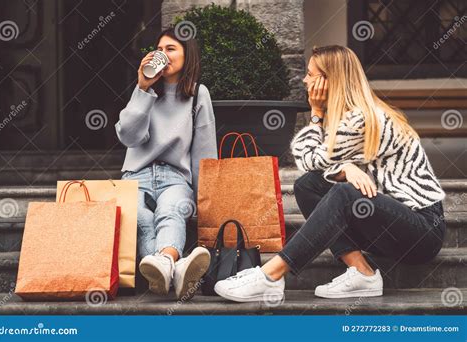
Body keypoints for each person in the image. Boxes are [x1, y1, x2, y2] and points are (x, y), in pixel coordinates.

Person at [214, 45, 446, 302]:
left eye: (311, 74)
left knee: (344, 192)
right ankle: (362, 271)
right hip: (389, 224)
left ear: (330, 80)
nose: (304, 80)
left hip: (421, 231)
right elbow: (320, 166)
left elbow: (308, 158)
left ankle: (272, 274)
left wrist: (315, 113)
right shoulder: (345, 117)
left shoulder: (361, 119)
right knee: (307, 186)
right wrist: (343, 168)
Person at [115, 27, 217, 300]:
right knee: (140, 217)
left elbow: (204, 150)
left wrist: (205, 198)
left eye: (170, 49)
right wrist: (142, 89)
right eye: (159, 50)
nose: (163, 55)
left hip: (175, 176)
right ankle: (174, 265)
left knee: (171, 210)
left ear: (188, 56)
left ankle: (164, 264)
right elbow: (129, 136)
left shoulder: (198, 94)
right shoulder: (145, 92)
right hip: (136, 175)